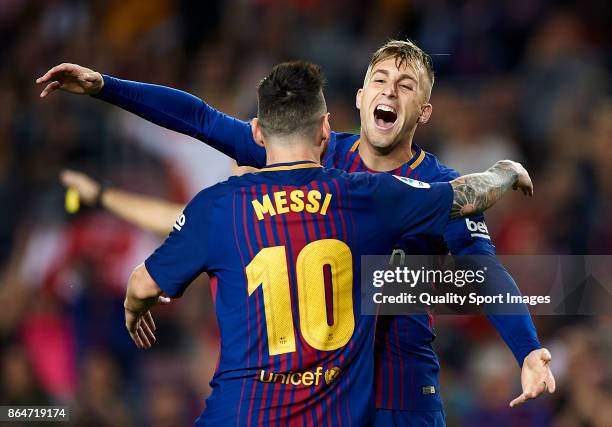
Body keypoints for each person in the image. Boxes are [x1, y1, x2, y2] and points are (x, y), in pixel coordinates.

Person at [37, 39, 555, 425]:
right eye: (379, 80)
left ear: (424, 111)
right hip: (312, 398)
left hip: (399, 393)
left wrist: (528, 351)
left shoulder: (438, 186)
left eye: (406, 86)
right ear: (357, 98)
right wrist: (106, 86)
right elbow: (201, 118)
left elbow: (483, 274)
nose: (389, 92)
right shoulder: (315, 154)